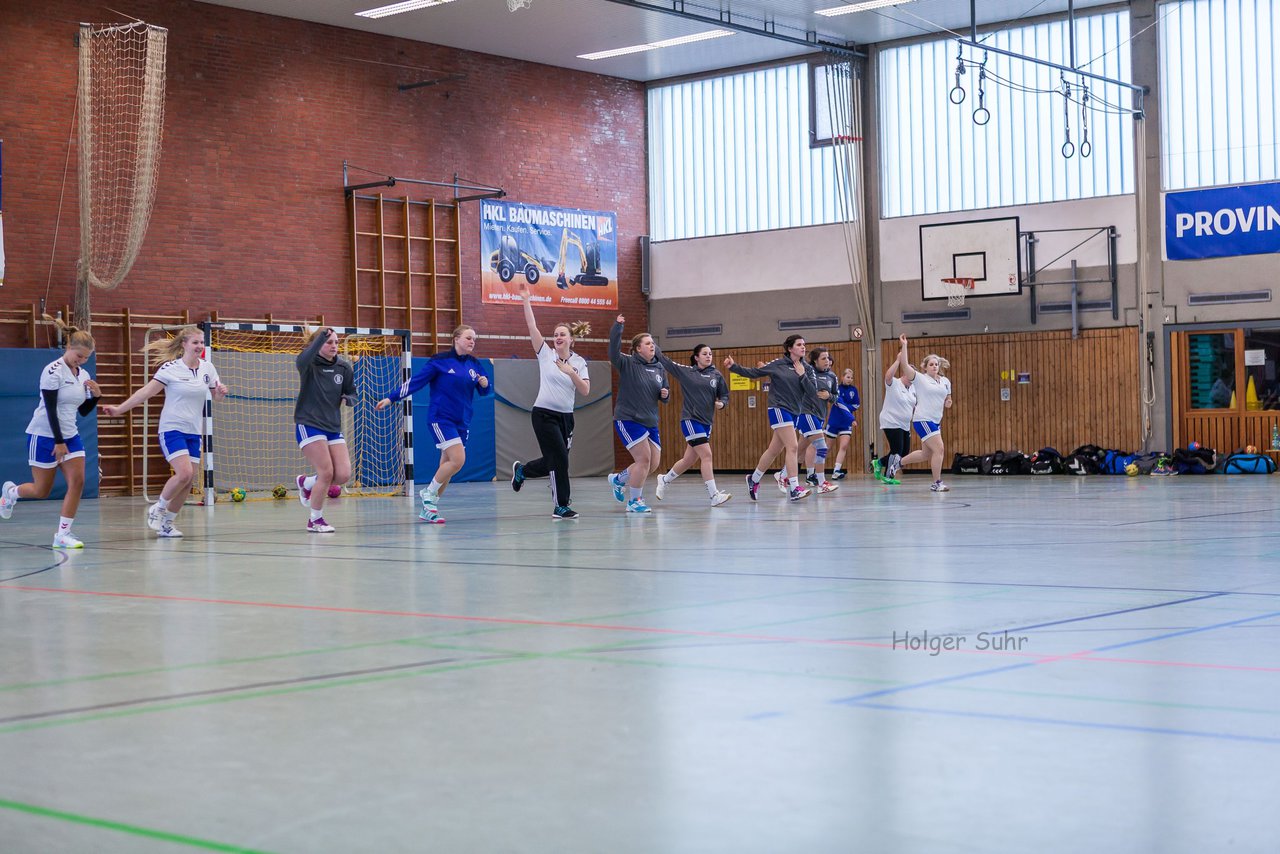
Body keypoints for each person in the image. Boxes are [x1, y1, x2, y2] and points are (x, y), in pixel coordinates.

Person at [100, 326, 228, 538]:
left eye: (202, 342)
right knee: (184, 473)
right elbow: (145, 393)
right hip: (172, 428)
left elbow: (216, 396)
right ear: (184, 344)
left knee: (188, 481)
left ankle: (167, 524)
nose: (199, 346)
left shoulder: (208, 368)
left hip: (194, 431)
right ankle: (158, 508)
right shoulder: (170, 369)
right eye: (195, 342)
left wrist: (221, 393)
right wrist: (119, 409)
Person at [0, 316, 102, 548]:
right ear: (68, 348)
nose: (82, 361)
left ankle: (62, 535)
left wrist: (96, 396)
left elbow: (84, 411)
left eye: (86, 358)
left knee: (77, 482)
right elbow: (50, 408)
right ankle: (11, 493)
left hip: (71, 436)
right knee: (41, 490)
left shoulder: (83, 375)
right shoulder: (52, 371)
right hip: (44, 435)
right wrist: (58, 441)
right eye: (79, 356)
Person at [376, 325, 491, 524]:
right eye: (468, 338)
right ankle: (428, 493)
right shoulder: (440, 361)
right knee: (458, 460)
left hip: (462, 421)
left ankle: (429, 509)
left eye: (474, 339)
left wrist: (485, 384)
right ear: (456, 339)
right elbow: (415, 382)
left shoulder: (474, 364)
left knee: (447, 466)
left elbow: (484, 391)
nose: (472, 342)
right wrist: (391, 398)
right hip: (441, 418)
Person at [510, 282, 590, 520]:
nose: (557, 337)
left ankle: (523, 471)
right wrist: (526, 299)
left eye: (562, 334)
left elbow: (585, 390)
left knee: (556, 460)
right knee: (560, 460)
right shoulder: (545, 354)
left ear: (571, 339)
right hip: (543, 414)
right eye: (555, 334)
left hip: (567, 418)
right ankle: (561, 506)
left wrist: (571, 373)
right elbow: (532, 326)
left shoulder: (579, 362)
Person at [724, 334, 813, 502]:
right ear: (790, 348)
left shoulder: (806, 368)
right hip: (778, 408)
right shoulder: (777, 364)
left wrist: (802, 375)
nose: (803, 347)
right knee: (793, 446)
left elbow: (811, 392)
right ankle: (794, 488)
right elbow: (754, 372)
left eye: (804, 344)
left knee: (774, 450)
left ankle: (754, 479)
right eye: (799, 344)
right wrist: (733, 367)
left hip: (795, 412)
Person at [293, 326, 357, 533]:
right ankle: (315, 520)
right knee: (326, 471)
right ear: (318, 344)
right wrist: (321, 336)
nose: (334, 346)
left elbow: (352, 392)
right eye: (329, 342)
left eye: (336, 342)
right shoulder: (308, 364)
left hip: (332, 426)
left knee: (343, 475)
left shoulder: (344, 368)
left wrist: (348, 399)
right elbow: (303, 357)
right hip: (309, 424)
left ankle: (306, 482)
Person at [652, 342, 732, 506]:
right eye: (704, 353)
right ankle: (714, 495)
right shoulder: (687, 372)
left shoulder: (716, 375)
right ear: (696, 358)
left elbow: (725, 395)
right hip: (690, 420)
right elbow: (666, 361)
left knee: (688, 460)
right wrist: (652, 344)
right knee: (707, 455)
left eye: (710, 353)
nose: (708, 356)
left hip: (706, 423)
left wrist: (722, 404)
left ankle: (664, 480)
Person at [607, 315, 669, 514]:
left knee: (653, 464)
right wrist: (618, 328)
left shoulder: (659, 367)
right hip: (628, 418)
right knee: (643, 459)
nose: (652, 346)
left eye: (653, 343)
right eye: (648, 343)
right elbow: (613, 351)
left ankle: (619, 479)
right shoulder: (627, 363)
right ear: (638, 349)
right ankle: (634, 501)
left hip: (650, 420)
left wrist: (665, 395)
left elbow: (664, 393)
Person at [893, 335, 953, 491]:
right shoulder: (919, 378)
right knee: (939, 449)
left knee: (926, 454)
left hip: (935, 421)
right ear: (925, 367)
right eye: (931, 364)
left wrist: (948, 402)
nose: (934, 366)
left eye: (936, 364)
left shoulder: (945, 381)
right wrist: (904, 345)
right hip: (922, 419)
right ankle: (937, 483)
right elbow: (905, 364)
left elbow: (948, 397)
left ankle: (897, 464)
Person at [877, 334, 916, 486]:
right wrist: (898, 360)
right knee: (896, 450)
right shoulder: (895, 383)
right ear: (904, 373)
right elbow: (887, 376)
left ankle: (879, 462)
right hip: (891, 420)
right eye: (909, 372)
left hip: (905, 424)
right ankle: (889, 475)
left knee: (904, 453)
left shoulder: (913, 389)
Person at [827, 367, 861, 480]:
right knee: (827, 447)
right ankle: (815, 470)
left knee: (844, 445)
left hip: (846, 422)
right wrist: (847, 410)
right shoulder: (836, 389)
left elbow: (856, 405)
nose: (849, 379)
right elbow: (838, 403)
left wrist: (847, 408)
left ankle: (836, 470)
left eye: (851, 377)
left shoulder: (854, 390)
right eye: (847, 377)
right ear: (842, 377)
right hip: (834, 420)